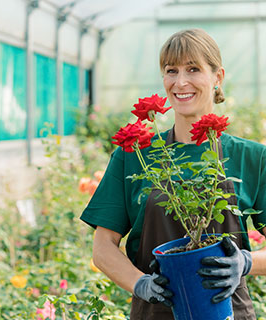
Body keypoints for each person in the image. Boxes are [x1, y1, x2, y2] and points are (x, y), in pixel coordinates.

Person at [80, 29, 266, 319]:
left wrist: (245, 262)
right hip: (156, 312)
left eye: (193, 69)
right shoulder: (134, 155)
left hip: (228, 311)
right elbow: (103, 247)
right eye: (171, 70)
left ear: (218, 77)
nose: (181, 82)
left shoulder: (253, 157)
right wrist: (140, 283)